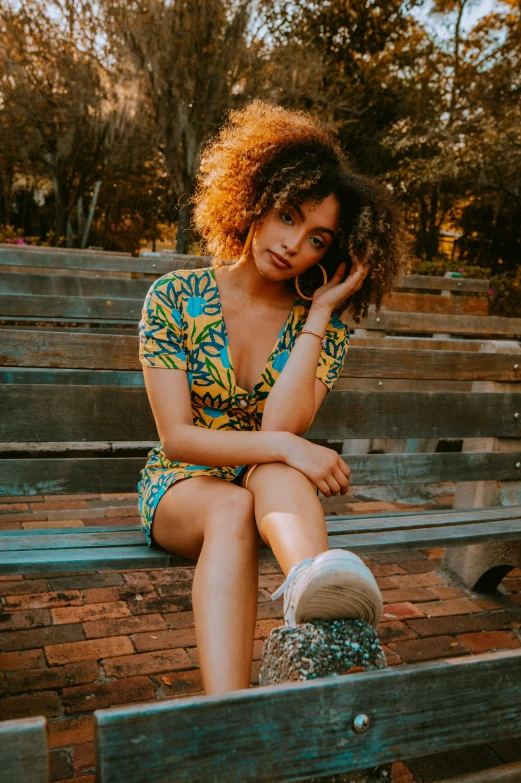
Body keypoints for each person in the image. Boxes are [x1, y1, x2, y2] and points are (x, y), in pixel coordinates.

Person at [137, 99, 410, 695]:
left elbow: (287, 423)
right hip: (183, 482)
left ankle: (318, 607)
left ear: (331, 255)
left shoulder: (326, 327)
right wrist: (291, 447)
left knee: (279, 469)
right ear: (254, 199)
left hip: (267, 476)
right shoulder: (174, 296)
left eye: (318, 239)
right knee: (239, 501)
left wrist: (318, 313)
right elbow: (177, 438)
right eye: (287, 216)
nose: (292, 244)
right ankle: (229, 710)